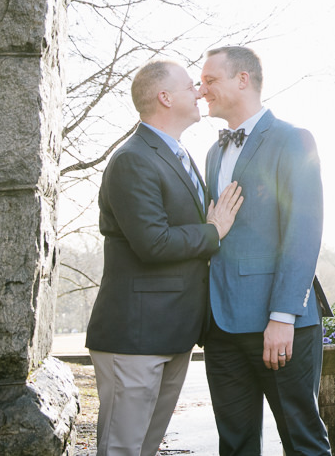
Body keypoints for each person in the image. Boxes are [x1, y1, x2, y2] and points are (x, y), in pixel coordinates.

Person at [86, 59, 245, 456]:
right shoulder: (132, 159)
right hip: (134, 337)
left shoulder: (178, 154)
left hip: (173, 334)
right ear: (165, 97)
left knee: (146, 449)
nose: (199, 91)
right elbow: (152, 243)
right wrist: (213, 232)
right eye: (190, 85)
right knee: (123, 450)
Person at [200, 45, 331, 456]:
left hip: (279, 326)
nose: (202, 89)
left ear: (243, 79)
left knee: (302, 442)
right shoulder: (212, 153)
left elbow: (304, 232)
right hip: (221, 329)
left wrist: (282, 316)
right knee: (235, 446)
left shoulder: (293, 140)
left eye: (210, 80)